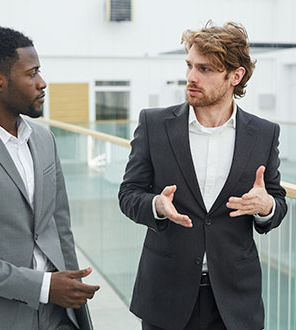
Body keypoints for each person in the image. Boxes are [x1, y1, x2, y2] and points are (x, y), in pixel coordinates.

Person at [118, 21, 287, 330]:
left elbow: (276, 202)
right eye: (190, 66)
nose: (191, 77)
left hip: (235, 301)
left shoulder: (264, 134)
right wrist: (157, 205)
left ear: (236, 76)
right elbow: (129, 194)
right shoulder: (154, 124)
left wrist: (267, 207)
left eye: (206, 69)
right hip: (166, 294)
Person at [0, 27, 99, 330]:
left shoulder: (43, 138)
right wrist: (42, 286)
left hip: (59, 316)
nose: (42, 83)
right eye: (32, 74)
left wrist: (74, 304)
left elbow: (59, 226)